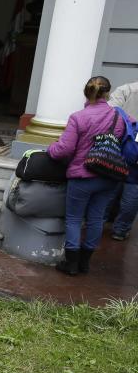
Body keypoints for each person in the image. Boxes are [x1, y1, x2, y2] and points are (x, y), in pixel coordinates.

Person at [48, 76, 129, 275]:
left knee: (74, 219)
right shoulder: (120, 116)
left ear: (86, 93)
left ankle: (71, 264)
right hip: (110, 176)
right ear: (108, 93)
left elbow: (64, 150)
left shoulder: (79, 117)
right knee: (96, 218)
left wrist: (50, 149)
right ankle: (85, 263)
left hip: (82, 176)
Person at [110, 80, 138, 240]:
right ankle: (120, 230)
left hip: (121, 143)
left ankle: (99, 221)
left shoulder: (126, 89)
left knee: (111, 185)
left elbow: (112, 110)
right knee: (133, 190)